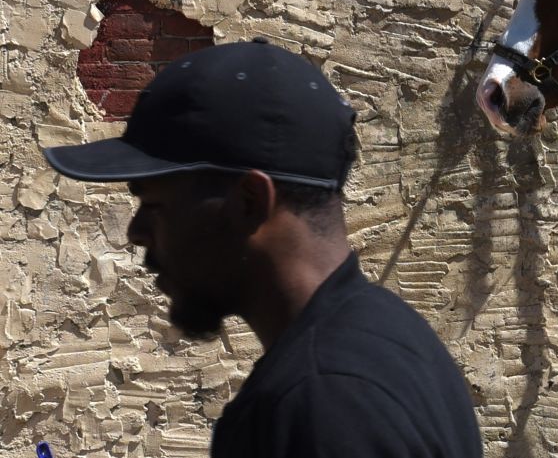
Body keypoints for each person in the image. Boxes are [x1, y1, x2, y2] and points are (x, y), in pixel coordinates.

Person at [44, 38, 483, 458]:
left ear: (250, 202)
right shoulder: (388, 333)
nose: (136, 233)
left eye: (154, 205)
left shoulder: (322, 402)